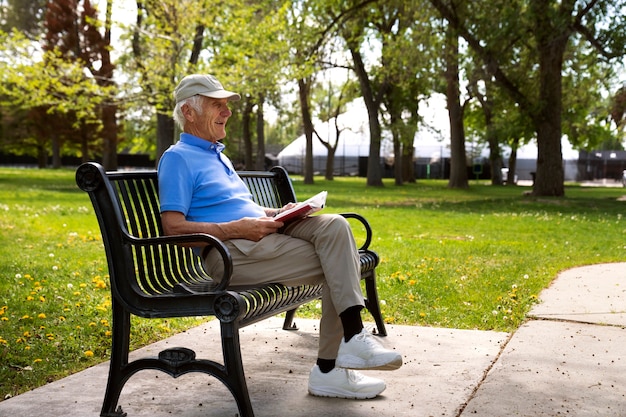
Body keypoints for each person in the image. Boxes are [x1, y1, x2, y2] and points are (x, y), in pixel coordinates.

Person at [157, 74, 402, 399]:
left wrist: (273, 213)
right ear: (188, 112)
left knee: (337, 227)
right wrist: (237, 229)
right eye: (217, 105)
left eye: (227, 105)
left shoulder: (218, 155)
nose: (227, 112)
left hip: (259, 237)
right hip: (230, 254)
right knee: (340, 261)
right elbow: (172, 229)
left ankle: (347, 346)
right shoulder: (177, 158)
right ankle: (333, 365)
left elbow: (231, 206)